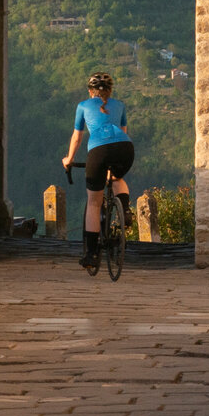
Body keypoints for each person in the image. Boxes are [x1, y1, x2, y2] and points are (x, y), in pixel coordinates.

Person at [62, 71, 134, 274]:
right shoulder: (119, 105)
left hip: (98, 150)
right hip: (125, 148)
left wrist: (69, 159)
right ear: (110, 91)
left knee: (94, 202)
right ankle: (126, 210)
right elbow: (123, 132)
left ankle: (92, 254)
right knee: (117, 177)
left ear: (90, 91)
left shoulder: (83, 106)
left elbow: (77, 137)